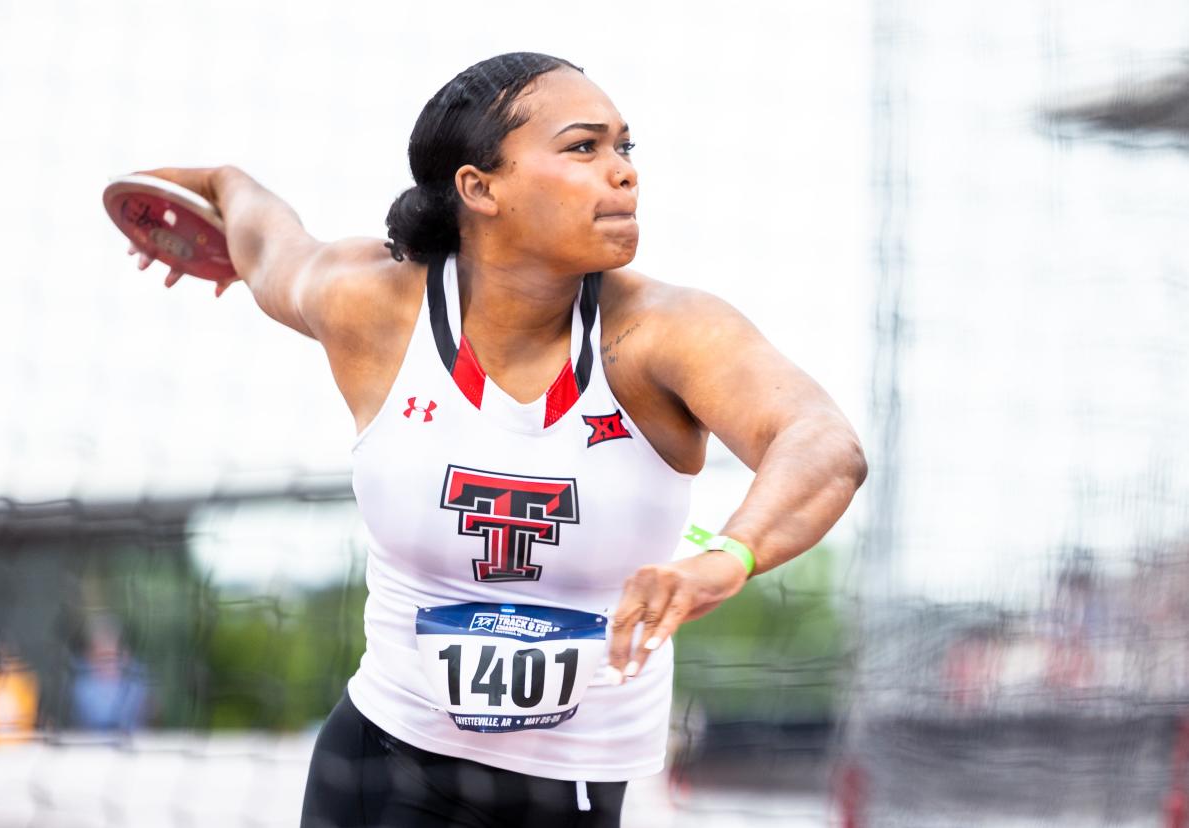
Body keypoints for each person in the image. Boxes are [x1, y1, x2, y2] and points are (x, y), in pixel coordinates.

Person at [126, 52, 866, 828]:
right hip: (382, 763)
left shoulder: (667, 333)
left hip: (564, 790)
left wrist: (731, 555)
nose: (623, 173)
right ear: (480, 188)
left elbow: (822, 441)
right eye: (584, 147)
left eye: (625, 148)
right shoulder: (370, 308)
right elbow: (272, 249)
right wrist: (217, 189)